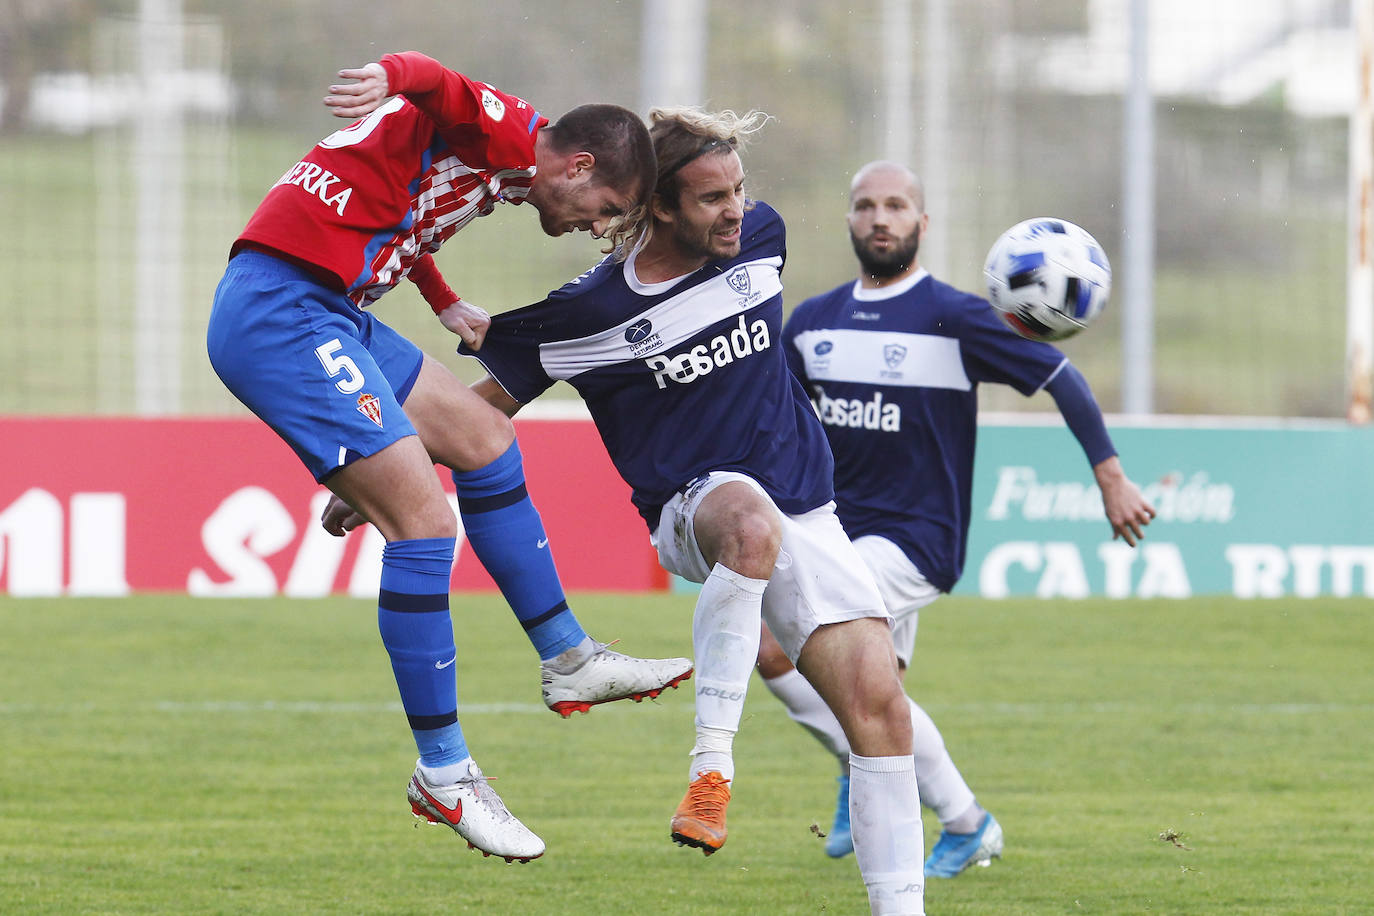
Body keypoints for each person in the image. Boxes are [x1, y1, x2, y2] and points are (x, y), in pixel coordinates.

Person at [436, 108, 928, 916]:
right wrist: (387, 476)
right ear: (659, 206)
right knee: (749, 523)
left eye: (738, 190)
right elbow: (483, 408)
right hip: (694, 509)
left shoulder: (761, 238)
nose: (736, 209)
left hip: (811, 514)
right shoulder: (588, 313)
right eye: (711, 198)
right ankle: (711, 771)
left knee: (882, 712)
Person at [206, 52, 693, 864]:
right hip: (283, 313)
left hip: (329, 308)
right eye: (605, 207)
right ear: (573, 166)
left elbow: (401, 213)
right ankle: (445, 773)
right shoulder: (510, 132)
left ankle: (570, 660)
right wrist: (386, 74)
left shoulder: (497, 170)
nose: (599, 227)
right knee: (426, 529)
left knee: (483, 437)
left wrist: (441, 299)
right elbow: (440, 80)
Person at [761, 159, 1157, 877]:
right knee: (874, 692)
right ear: (849, 220)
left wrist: (1110, 474)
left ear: (922, 223)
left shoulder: (956, 317)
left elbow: (1062, 379)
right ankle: (946, 811)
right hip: (836, 531)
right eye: (865, 206)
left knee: (775, 647)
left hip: (918, 540)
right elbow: (781, 428)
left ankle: (915, 789)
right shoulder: (811, 323)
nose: (880, 218)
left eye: (896, 206)